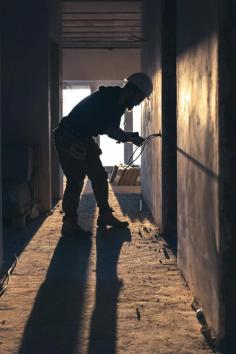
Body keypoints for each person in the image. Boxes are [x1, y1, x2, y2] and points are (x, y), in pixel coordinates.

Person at [53, 72, 153, 237]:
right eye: (139, 99)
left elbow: (112, 129)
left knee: (99, 175)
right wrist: (128, 137)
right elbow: (110, 130)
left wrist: (129, 136)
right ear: (132, 91)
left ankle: (105, 215)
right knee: (76, 179)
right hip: (68, 136)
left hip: (82, 137)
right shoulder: (107, 98)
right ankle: (69, 223)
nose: (137, 104)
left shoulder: (119, 106)